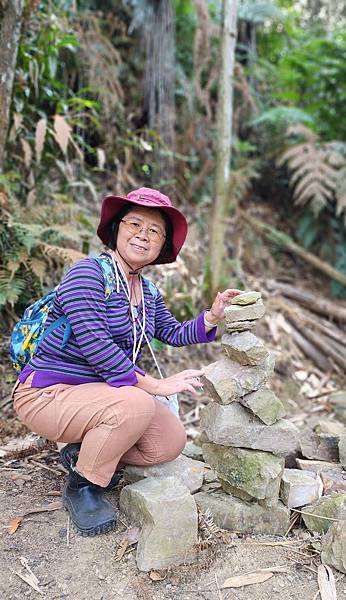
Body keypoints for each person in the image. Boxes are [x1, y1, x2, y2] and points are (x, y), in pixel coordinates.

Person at [11, 187, 241, 536]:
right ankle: (84, 485)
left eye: (154, 231)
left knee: (169, 441)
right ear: (117, 228)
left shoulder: (147, 292)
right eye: (134, 223)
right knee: (136, 403)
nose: (142, 235)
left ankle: (82, 452)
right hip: (48, 393)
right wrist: (156, 386)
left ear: (162, 245)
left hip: (101, 396)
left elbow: (173, 332)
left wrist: (211, 316)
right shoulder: (87, 274)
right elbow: (97, 346)